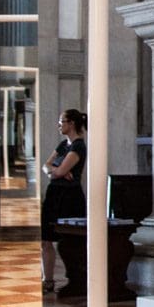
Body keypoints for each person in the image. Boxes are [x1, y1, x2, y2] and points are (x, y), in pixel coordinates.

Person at [41, 109, 87, 296]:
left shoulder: (78, 146)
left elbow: (58, 172)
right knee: (45, 239)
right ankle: (48, 280)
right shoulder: (63, 145)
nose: (59, 125)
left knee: (69, 239)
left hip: (69, 196)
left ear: (72, 123)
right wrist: (54, 170)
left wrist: (56, 171)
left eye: (62, 122)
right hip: (54, 193)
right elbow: (46, 166)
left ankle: (75, 279)